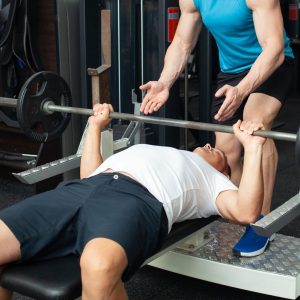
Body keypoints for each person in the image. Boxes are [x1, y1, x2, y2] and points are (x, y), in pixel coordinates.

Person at [0, 103, 266, 300]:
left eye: (218, 153)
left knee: (98, 267)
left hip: (136, 199)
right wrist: (94, 127)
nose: (210, 146)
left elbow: (246, 211)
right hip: (84, 189)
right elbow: (89, 173)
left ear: (224, 173)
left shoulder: (212, 181)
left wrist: (252, 149)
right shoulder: (163, 151)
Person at [139, 0, 294, 257]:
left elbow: (274, 48)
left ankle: (261, 223)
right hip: (231, 72)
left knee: (256, 127)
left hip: (272, 65)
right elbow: (181, 43)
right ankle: (240, 210)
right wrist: (165, 82)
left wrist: (242, 90)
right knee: (226, 151)